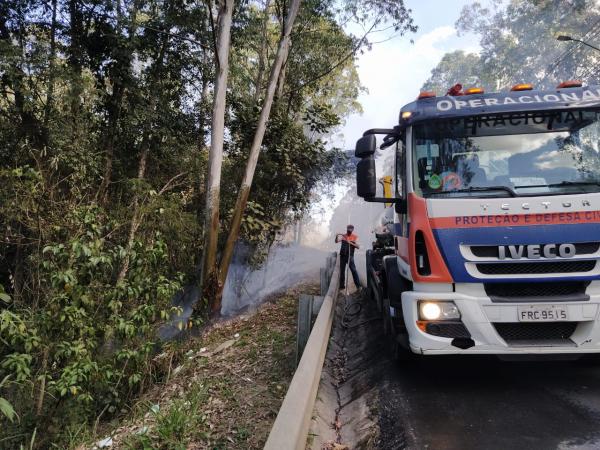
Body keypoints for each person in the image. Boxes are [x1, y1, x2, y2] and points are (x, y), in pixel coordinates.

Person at [335, 224, 362, 290]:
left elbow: (358, 246)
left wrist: (350, 242)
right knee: (342, 271)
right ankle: (342, 286)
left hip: (350, 257)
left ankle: (358, 286)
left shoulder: (354, 237)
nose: (349, 230)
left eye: (351, 229)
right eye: (348, 229)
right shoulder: (343, 236)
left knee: (354, 270)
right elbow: (336, 241)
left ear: (352, 230)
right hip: (343, 256)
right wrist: (336, 236)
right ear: (347, 229)